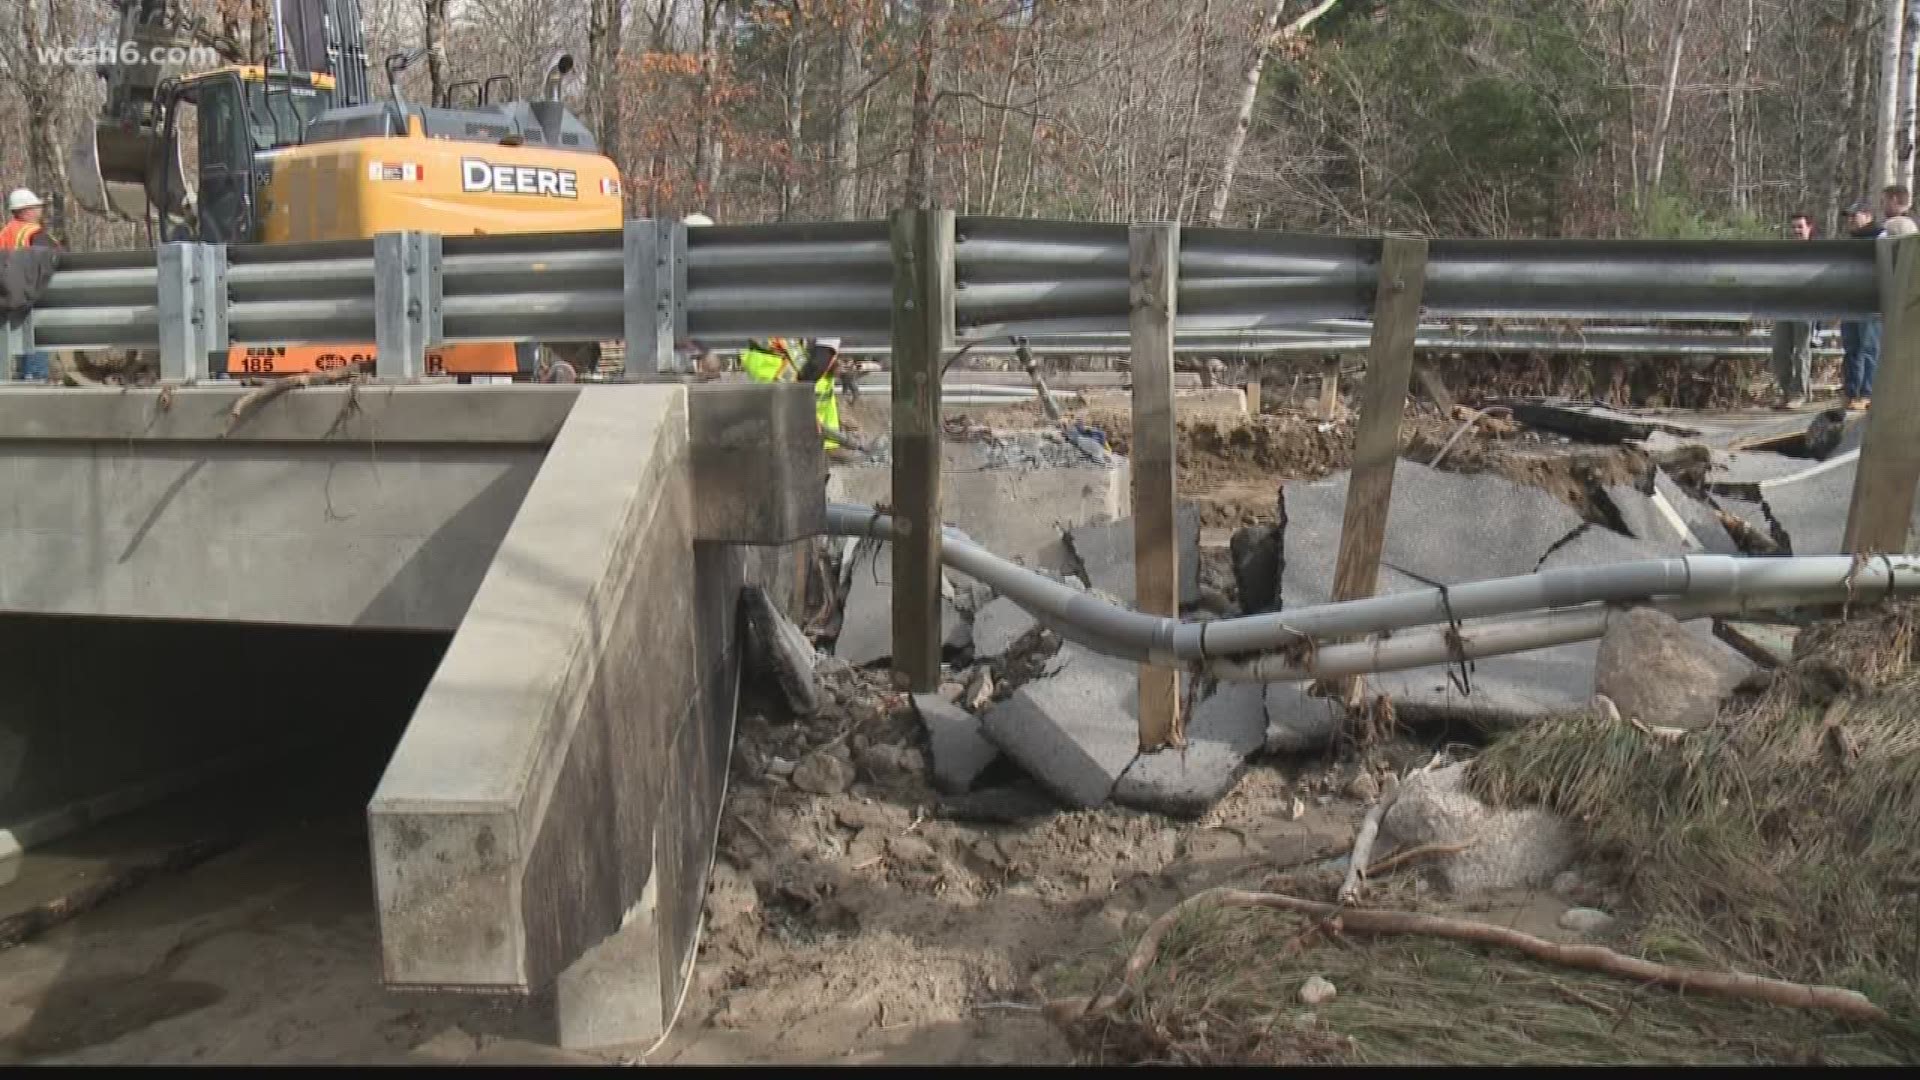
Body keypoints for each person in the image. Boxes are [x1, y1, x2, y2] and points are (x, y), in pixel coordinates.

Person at [0, 188, 55, 381]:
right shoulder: (33, 232)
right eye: (36, 207)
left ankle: (19, 374)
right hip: (29, 290)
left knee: (14, 334)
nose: (39, 211)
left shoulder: (5, 231)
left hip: (6, 293)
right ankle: (35, 375)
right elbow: (52, 258)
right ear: (26, 211)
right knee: (34, 333)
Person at [1769, 212, 1816, 409]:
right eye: (1794, 227)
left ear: (1809, 228)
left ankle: (1800, 393)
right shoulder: (1785, 251)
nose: (1797, 231)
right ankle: (1786, 391)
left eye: (1800, 227)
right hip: (1784, 306)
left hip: (1806, 307)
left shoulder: (1816, 252)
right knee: (1780, 350)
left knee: (1801, 352)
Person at [1841, 200, 1884, 410]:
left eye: (1853, 215)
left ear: (1867, 215)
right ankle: (1850, 392)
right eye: (1848, 217)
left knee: (1868, 348)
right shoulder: (1850, 241)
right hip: (1849, 302)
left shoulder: (1880, 237)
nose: (1850, 220)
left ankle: (1867, 393)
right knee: (1851, 348)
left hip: (1869, 303)